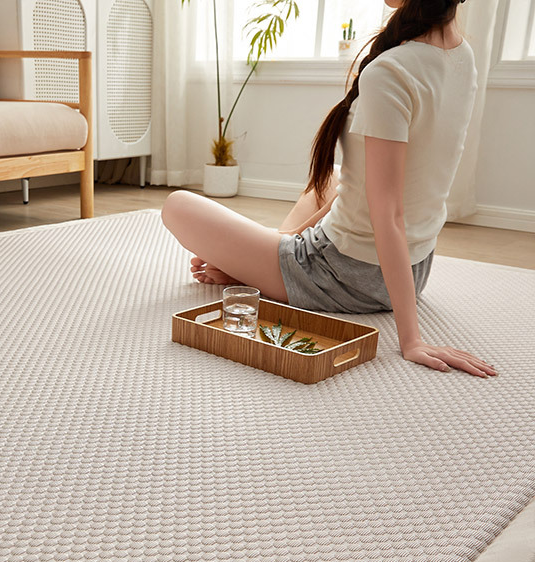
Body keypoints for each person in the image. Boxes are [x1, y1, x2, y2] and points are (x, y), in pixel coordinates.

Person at [161, 0, 496, 378]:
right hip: (414, 268)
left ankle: (262, 263)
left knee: (177, 205)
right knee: (336, 177)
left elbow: (388, 216)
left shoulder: (391, 70)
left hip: (346, 273)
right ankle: (265, 254)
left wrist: (412, 340)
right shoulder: (463, 57)